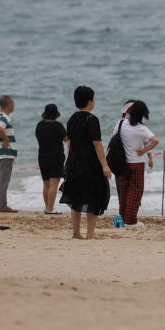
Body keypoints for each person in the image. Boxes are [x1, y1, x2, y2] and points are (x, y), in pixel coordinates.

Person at [60, 86, 112, 240]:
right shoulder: (91, 119)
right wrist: (105, 165)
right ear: (90, 101)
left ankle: (76, 233)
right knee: (94, 196)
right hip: (90, 163)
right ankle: (90, 233)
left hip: (73, 162)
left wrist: (69, 163)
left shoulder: (71, 119)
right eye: (94, 98)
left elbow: (69, 144)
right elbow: (97, 144)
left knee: (75, 197)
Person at [113, 100, 159, 227]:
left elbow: (114, 140)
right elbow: (155, 141)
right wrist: (144, 150)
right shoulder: (141, 128)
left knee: (124, 192)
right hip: (137, 163)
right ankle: (131, 221)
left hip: (122, 163)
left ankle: (121, 220)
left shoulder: (120, 124)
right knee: (135, 192)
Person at [35, 103, 68, 214]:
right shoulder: (58, 125)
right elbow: (66, 138)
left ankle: (47, 207)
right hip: (56, 156)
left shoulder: (39, 125)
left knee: (46, 184)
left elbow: (38, 139)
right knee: (54, 184)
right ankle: (50, 208)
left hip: (42, 156)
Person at [0, 95, 18, 213]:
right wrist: (7, 140)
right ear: (8, 105)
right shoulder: (4, 117)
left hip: (2, 152)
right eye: (13, 103)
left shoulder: (0, 116)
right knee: (4, 179)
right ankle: (2, 205)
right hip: (6, 152)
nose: (14, 106)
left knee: (0, 179)